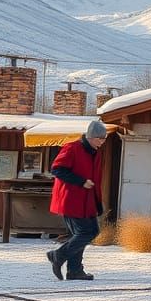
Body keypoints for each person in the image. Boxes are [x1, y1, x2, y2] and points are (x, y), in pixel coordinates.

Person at [47, 119, 106, 281]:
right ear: (91, 137)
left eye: (104, 139)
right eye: (100, 139)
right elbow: (57, 169)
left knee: (85, 233)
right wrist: (80, 181)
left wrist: (98, 203)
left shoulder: (95, 153)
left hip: (87, 202)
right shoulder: (72, 148)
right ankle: (58, 255)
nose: (102, 142)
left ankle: (74, 270)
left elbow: (95, 180)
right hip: (71, 200)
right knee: (85, 233)